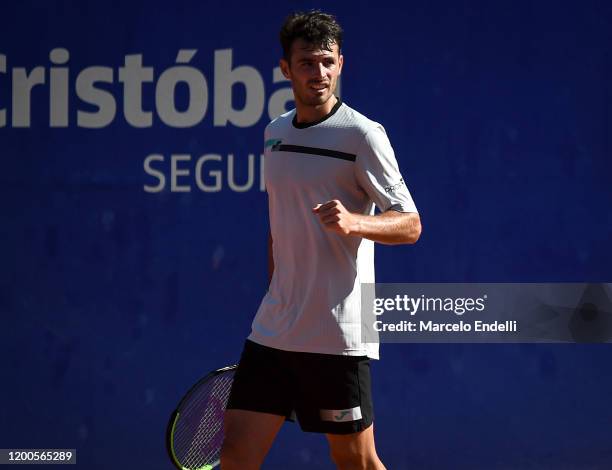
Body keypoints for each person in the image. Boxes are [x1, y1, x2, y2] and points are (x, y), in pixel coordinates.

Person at [221, 10, 421, 470]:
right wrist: (280, 294)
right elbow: (280, 227)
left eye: (328, 61)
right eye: (308, 63)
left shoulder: (363, 135)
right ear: (286, 70)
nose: (320, 73)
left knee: (357, 462)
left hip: (335, 336)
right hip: (273, 330)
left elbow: (410, 223)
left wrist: (355, 222)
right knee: (234, 457)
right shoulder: (274, 135)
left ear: (341, 64)